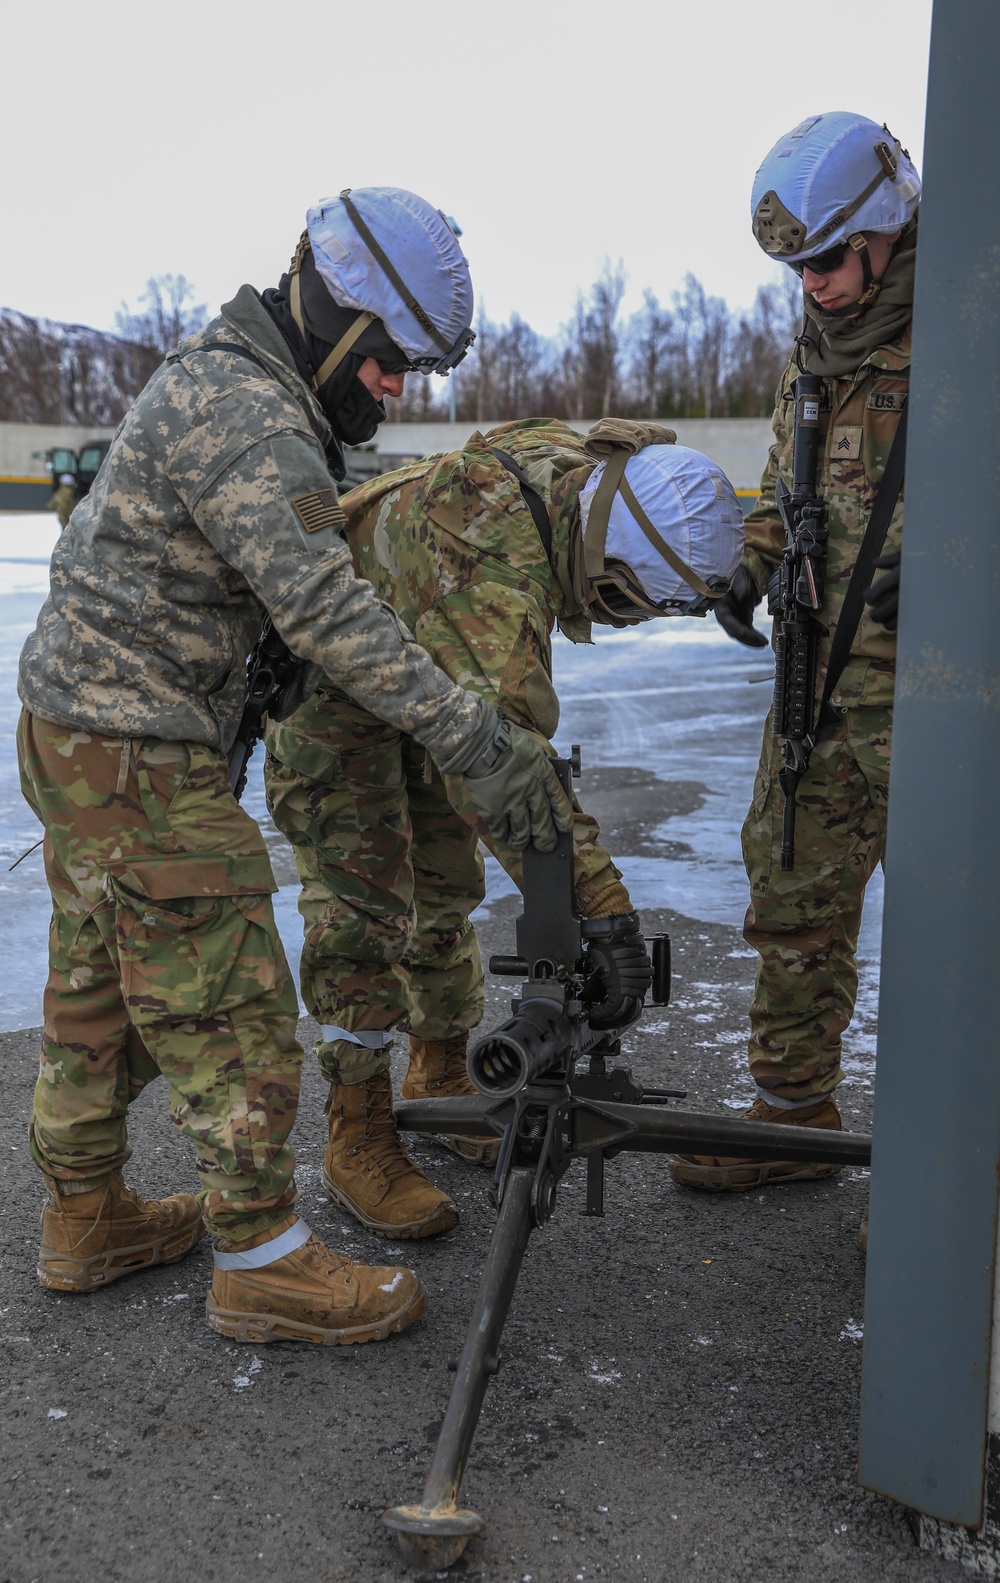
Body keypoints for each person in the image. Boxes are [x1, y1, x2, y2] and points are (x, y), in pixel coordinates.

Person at [16, 186, 574, 1347]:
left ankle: (86, 1218)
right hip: (135, 745)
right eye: (390, 367)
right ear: (345, 321)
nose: (395, 391)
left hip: (86, 733)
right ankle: (263, 1261)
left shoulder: (245, 378)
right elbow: (327, 609)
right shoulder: (256, 418)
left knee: (97, 982)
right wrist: (471, 735)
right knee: (234, 1004)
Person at [262, 415, 746, 1238]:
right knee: (364, 908)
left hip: (425, 669)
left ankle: (444, 1075)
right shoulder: (489, 563)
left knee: (443, 881)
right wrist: (609, 915)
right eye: (622, 600)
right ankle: (359, 1131)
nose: (620, 622)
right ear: (602, 544)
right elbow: (514, 779)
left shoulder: (588, 476)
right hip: (333, 694)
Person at [669, 113, 920, 1193]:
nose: (809, 285)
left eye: (822, 260)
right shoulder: (820, 350)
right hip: (820, 681)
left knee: (961, 937)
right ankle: (791, 1112)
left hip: (940, 704)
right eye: (792, 267)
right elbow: (786, 487)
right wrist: (748, 559)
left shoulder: (971, 328)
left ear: (881, 229)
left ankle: (948, 1195)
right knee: (792, 894)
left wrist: (964, 574)